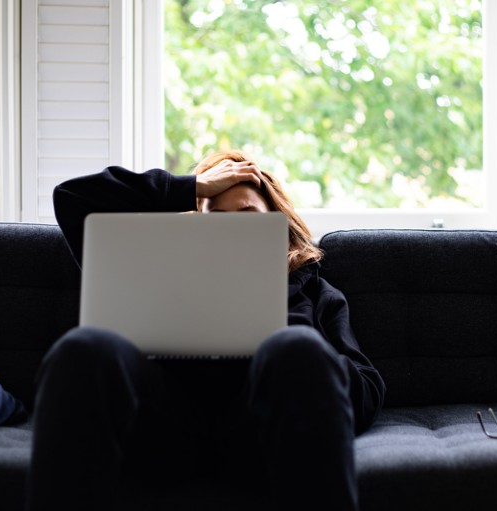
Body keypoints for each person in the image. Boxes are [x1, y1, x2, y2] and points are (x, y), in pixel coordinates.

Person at [26, 149, 386, 511]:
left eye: (247, 218)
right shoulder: (158, 270)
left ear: (279, 230)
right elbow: (72, 198)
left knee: (298, 347)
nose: (232, 231)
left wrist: (286, 341)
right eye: (217, 218)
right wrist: (195, 187)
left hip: (257, 436)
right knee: (84, 346)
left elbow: (367, 387)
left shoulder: (312, 290)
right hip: (160, 433)